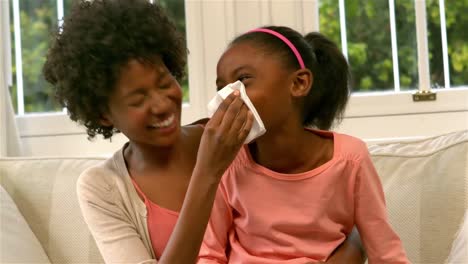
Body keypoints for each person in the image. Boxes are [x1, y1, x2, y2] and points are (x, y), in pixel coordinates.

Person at [43, 0, 365, 263]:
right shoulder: (103, 188)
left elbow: (346, 222)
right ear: (103, 113)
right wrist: (208, 172)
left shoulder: (239, 134)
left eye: (164, 82)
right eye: (138, 98)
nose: (161, 104)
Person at [198, 26, 409, 263]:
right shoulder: (228, 162)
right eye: (221, 87)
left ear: (299, 83)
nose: (228, 96)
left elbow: (385, 252)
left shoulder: (350, 160)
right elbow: (208, 254)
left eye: (243, 79)